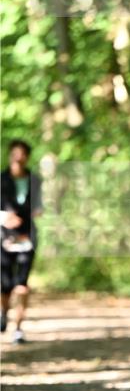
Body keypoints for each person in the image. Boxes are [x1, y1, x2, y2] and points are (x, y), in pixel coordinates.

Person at [1, 139, 42, 344]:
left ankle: (18, 329)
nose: (18, 157)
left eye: (22, 154)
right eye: (15, 153)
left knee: (22, 285)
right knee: (5, 285)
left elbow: (40, 205)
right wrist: (3, 218)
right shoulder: (1, 179)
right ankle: (3, 312)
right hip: (4, 239)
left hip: (27, 238)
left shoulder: (35, 180)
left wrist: (38, 211)